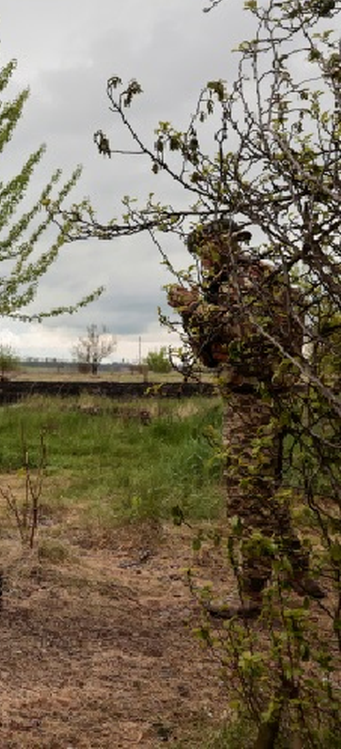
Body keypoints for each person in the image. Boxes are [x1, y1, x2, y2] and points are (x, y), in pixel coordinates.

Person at [167, 220, 324, 617]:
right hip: (264, 397)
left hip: (253, 399)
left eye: (205, 250)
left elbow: (244, 333)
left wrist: (193, 307)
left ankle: (251, 596)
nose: (202, 261)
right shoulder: (254, 277)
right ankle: (298, 571)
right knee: (264, 492)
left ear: (222, 245)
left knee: (246, 496)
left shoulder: (243, 281)